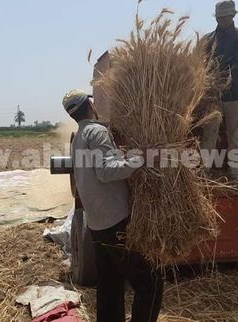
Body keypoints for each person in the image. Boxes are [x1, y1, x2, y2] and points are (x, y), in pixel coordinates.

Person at [62, 89, 163, 322]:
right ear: (90, 104)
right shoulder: (97, 132)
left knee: (110, 283)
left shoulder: (78, 138)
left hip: (97, 224)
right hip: (115, 221)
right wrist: (141, 159)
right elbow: (107, 171)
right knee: (150, 282)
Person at [200, 0, 238, 177]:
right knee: (209, 134)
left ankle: (235, 173)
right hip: (213, 97)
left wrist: (214, 76)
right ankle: (205, 171)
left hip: (235, 95)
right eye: (220, 17)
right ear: (216, 17)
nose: (223, 20)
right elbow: (199, 65)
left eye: (226, 16)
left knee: (235, 136)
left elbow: (237, 64)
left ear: (233, 16)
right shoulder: (206, 40)